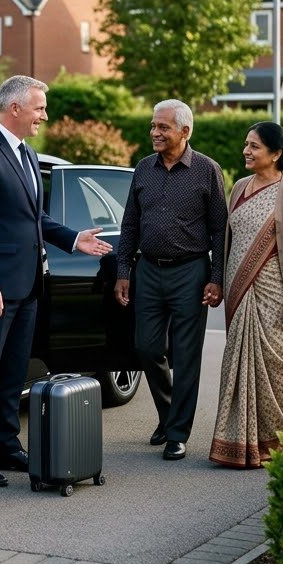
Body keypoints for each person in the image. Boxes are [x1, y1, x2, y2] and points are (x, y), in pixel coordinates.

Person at [0, 75, 112, 487]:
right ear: (15, 109)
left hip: (27, 287)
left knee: (13, 374)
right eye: (39, 107)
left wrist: (72, 238)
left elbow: (33, 218)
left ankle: (8, 446)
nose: (44, 114)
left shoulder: (27, 154)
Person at [209, 122, 283, 468]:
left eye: (255, 147)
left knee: (275, 372)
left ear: (276, 154)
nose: (246, 151)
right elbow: (229, 242)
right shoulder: (240, 188)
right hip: (239, 294)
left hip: (279, 297)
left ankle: (274, 444)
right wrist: (218, 282)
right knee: (236, 365)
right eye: (246, 144)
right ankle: (235, 444)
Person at [114, 99, 227, 461]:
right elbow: (129, 223)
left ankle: (177, 433)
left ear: (184, 131)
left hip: (190, 272)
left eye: (163, 127)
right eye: (153, 126)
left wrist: (216, 277)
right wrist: (123, 271)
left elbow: (220, 230)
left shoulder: (207, 171)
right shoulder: (143, 169)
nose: (155, 133)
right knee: (146, 348)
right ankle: (167, 416)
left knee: (187, 355)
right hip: (148, 270)